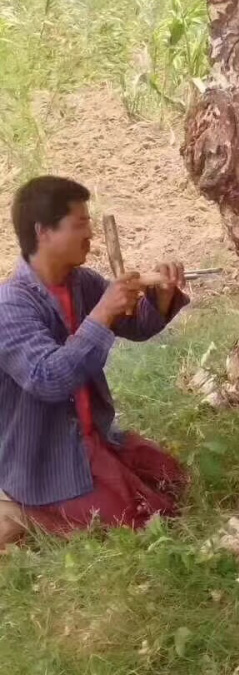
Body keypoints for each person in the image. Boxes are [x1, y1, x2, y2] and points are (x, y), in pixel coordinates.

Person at [0, 176, 190, 549]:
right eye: (80, 224)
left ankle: (82, 490)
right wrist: (102, 313)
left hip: (90, 436)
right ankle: (23, 510)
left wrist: (162, 295)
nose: (91, 234)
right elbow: (49, 379)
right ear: (44, 232)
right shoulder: (10, 307)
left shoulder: (81, 282)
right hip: (44, 456)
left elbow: (136, 326)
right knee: (139, 523)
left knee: (173, 480)